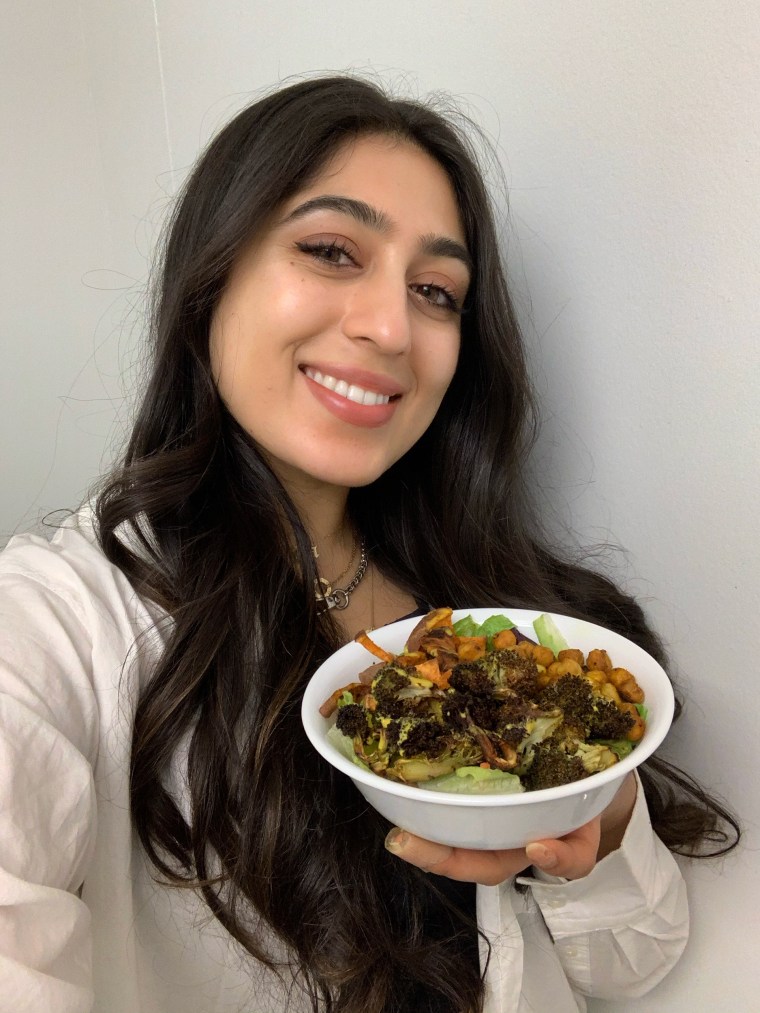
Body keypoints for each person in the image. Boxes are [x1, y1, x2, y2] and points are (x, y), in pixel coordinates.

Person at [0, 75, 739, 1013]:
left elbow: (632, 959)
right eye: (330, 249)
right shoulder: (59, 620)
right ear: (212, 274)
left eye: (436, 291)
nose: (392, 326)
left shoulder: (488, 614)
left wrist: (595, 816)